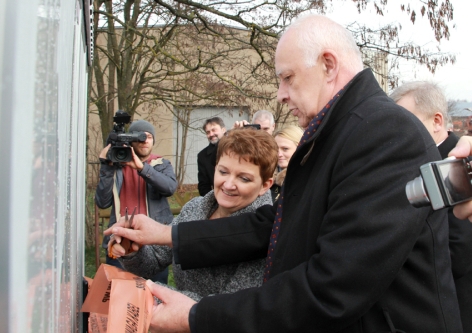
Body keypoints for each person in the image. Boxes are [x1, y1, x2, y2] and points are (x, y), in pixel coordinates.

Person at [109, 14, 462, 333]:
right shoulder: (341, 134)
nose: (280, 95)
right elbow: (275, 225)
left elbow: (335, 286)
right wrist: (167, 235)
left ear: (328, 64)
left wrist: (197, 316)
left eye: (288, 78)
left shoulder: (384, 134)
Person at [107, 128, 276, 301]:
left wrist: (146, 295)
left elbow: (229, 308)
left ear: (265, 185)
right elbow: (156, 259)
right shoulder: (195, 208)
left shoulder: (266, 237)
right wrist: (132, 251)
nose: (229, 184)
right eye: (223, 172)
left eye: (244, 178)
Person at [390, 81, 472, 332]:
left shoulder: (460, 164)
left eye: (405, 121)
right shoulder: (408, 162)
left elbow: (456, 254)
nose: (395, 132)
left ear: (437, 121)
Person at [95, 119, 177, 284]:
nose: (145, 140)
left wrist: (141, 168)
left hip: (154, 245)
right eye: (140, 137)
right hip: (120, 243)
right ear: (130, 140)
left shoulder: (160, 164)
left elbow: (169, 188)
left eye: (149, 136)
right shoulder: (116, 166)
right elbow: (102, 202)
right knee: (118, 300)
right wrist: (106, 167)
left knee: (155, 300)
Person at [270, 125, 303, 201]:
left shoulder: (305, 180)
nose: (279, 154)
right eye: (276, 149)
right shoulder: (267, 176)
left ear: (299, 149)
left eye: (285, 149)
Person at [197, 117, 226, 196]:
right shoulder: (202, 156)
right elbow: (203, 185)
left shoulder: (237, 149)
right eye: (208, 132)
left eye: (214, 130)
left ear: (223, 130)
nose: (211, 134)